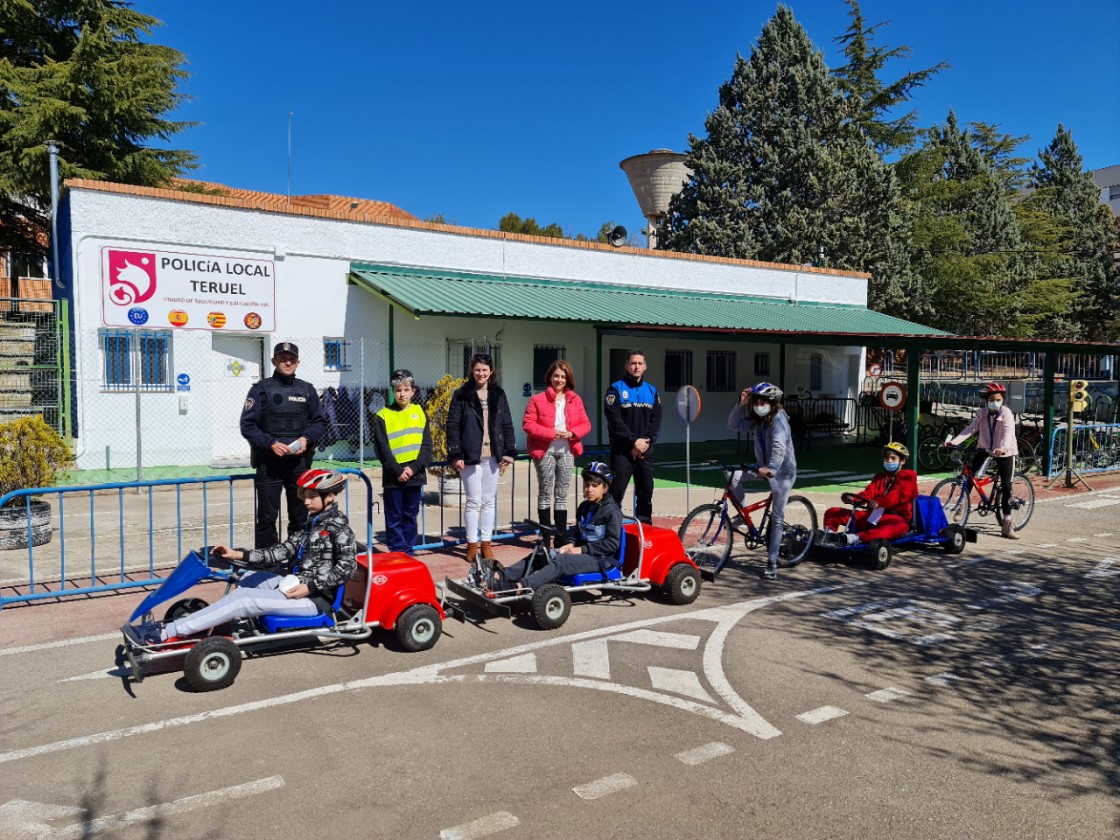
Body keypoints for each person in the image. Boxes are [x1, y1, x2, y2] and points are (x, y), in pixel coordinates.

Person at [138, 469, 357, 643]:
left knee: (243, 599)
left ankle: (167, 632)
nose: (306, 502)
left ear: (329, 496)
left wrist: (311, 587)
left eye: (311, 497)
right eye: (305, 497)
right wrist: (237, 553)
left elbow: (348, 567)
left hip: (315, 599)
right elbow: (280, 551)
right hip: (295, 584)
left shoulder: (340, 529)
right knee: (245, 578)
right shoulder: (311, 524)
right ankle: (220, 618)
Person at [240, 342, 325, 548]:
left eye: (292, 359)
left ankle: (296, 559)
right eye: (282, 358)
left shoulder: (307, 390)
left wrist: (306, 438)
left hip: (298, 466)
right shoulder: (260, 390)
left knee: (300, 516)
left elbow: (319, 422)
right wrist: (270, 444)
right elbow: (248, 425)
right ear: (273, 361)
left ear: (297, 362)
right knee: (267, 518)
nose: (287, 362)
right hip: (269, 465)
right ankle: (267, 564)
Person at [494, 461, 623, 591]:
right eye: (587, 485)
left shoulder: (612, 512)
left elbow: (612, 544)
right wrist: (571, 544)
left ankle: (520, 587)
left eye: (595, 486)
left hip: (601, 559)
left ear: (605, 488)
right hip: (584, 553)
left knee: (562, 561)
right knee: (542, 554)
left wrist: (582, 549)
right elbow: (578, 533)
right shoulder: (585, 507)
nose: (589, 489)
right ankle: (498, 576)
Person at [446, 354, 517, 563]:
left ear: (491, 372)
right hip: (470, 457)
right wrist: (456, 453)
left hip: (493, 457)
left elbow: (507, 423)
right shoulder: (462, 394)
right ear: (472, 371)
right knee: (473, 501)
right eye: (478, 369)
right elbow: (452, 424)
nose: (481, 373)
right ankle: (472, 544)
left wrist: (509, 452)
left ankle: (486, 543)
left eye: (485, 370)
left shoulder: (499, 394)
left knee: (488, 501)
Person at [726, 382, 797, 579]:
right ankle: (742, 515)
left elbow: (778, 446)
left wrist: (772, 468)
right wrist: (741, 404)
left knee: (777, 517)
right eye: (756, 401)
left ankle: (772, 563)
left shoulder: (779, 421)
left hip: (782, 472)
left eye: (762, 401)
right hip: (764, 468)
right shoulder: (759, 420)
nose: (758, 404)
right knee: (732, 476)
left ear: (772, 403)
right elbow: (733, 425)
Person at [522, 359, 592, 548]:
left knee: (561, 493)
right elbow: (528, 424)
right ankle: (545, 536)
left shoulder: (575, 399)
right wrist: (551, 433)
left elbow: (586, 424)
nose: (559, 379)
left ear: (567, 379)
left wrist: (573, 433)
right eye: (556, 376)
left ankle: (560, 535)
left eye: (563, 376)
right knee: (545, 491)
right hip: (545, 451)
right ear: (550, 378)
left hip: (567, 450)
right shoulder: (537, 399)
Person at [946, 382, 1020, 539]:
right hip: (985, 449)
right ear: (986, 401)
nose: (994, 402)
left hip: (1005, 452)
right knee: (969, 477)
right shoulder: (983, 413)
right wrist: (955, 441)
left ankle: (1007, 523)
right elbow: (971, 429)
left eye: (998, 399)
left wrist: (1004, 448)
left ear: (1002, 400)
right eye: (991, 399)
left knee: (1007, 485)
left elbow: (1008, 433)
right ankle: (962, 505)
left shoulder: (1006, 413)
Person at [372, 369, 432, 554]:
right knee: (394, 517)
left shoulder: (420, 412)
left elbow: (427, 446)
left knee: (410, 516)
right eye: (398, 390)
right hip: (393, 477)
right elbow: (382, 449)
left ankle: (408, 551)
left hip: (415, 474)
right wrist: (398, 471)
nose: (402, 394)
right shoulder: (383, 415)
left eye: (406, 389)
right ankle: (397, 552)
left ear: (413, 391)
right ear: (392, 391)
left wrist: (413, 468)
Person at [604, 350, 662, 524]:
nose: (636, 366)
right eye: (633, 363)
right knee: (616, 493)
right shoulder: (615, 389)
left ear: (645, 367)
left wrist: (646, 442)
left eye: (639, 363)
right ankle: (611, 530)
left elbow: (656, 420)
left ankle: (645, 529)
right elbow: (614, 420)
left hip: (645, 451)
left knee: (646, 493)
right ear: (627, 366)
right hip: (623, 452)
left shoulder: (652, 391)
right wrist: (633, 441)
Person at [821, 442, 918, 546]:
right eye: (886, 458)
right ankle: (829, 535)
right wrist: (853, 498)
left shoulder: (908, 477)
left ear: (902, 461)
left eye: (893, 458)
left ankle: (856, 538)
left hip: (895, 518)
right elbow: (869, 493)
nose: (889, 461)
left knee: (899, 526)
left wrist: (879, 502)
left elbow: (897, 495)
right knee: (832, 512)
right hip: (873, 516)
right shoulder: (880, 477)